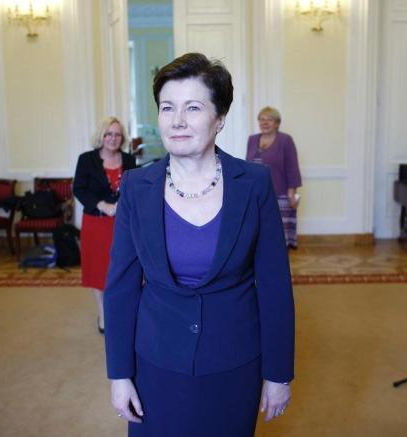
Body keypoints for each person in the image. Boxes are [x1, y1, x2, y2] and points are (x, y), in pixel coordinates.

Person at [104, 53, 295, 436]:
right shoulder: (137, 187)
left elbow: (274, 286)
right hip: (155, 362)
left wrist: (278, 373)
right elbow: (121, 288)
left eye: (193, 107)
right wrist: (119, 374)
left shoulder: (254, 184)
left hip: (233, 361)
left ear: (219, 117)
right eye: (167, 107)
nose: (177, 120)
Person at [73, 117, 136, 334]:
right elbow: (79, 189)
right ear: (101, 136)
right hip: (96, 222)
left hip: (123, 224)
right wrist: (102, 205)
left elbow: (133, 188)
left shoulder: (129, 160)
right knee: (99, 268)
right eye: (108, 134)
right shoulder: (86, 160)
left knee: (122, 268)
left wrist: (122, 204)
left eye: (117, 134)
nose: (113, 138)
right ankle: (102, 313)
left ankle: (120, 309)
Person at [246, 107, 302, 249]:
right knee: (260, 231)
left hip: (280, 194)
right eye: (262, 119)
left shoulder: (285, 140)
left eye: (269, 120)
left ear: (277, 123)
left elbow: (292, 167)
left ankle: (281, 259)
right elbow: (247, 166)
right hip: (256, 195)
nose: (265, 123)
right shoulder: (252, 139)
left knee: (281, 234)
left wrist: (291, 193)